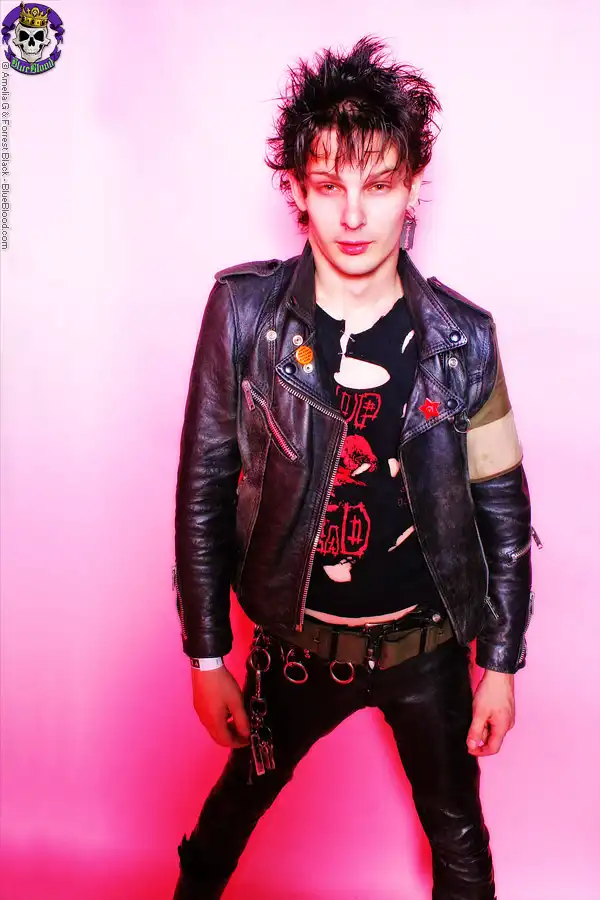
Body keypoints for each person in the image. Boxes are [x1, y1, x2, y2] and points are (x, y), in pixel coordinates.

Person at [171, 35, 537, 900]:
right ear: (296, 190)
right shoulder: (243, 315)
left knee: (461, 843)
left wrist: (501, 664)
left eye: (378, 185)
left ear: (413, 187)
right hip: (294, 652)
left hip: (429, 649)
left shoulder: (464, 339)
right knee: (228, 819)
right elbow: (203, 489)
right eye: (329, 185)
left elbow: (503, 509)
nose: (353, 216)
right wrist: (207, 655)